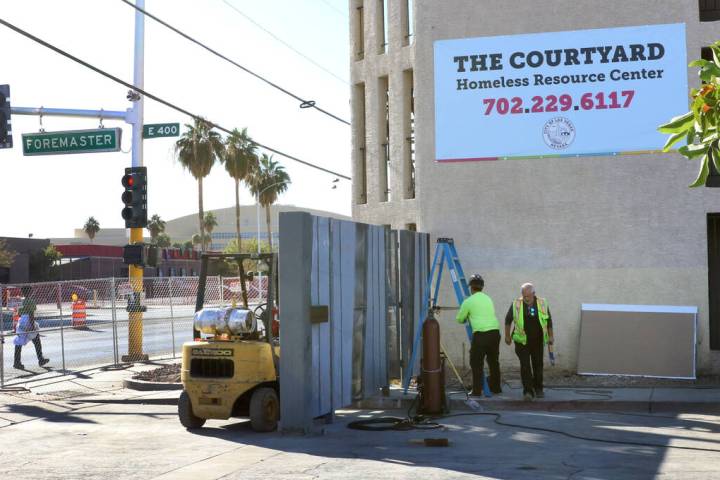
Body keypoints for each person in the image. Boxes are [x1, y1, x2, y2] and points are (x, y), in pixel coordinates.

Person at [505, 283, 553, 401]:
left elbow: (549, 321)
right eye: (524, 296)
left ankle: (538, 388)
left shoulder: (542, 303)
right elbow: (508, 320)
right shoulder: (516, 304)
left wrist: (551, 336)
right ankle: (528, 391)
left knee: (538, 365)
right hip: (522, 342)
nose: (526, 298)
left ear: (533, 294)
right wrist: (507, 336)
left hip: (538, 341)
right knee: (525, 366)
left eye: (528, 296)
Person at [455, 274, 502, 395]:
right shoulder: (488, 298)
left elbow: (460, 319)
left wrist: (467, 316)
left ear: (471, 288)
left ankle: (476, 391)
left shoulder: (468, 301)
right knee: (493, 361)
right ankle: (496, 388)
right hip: (495, 333)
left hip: (481, 334)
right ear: (482, 287)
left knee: (476, 363)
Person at [13, 286, 49, 369]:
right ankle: (41, 359)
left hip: (21, 320)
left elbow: (18, 313)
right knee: (36, 339)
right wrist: (32, 325)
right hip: (28, 320)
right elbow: (31, 313)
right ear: (29, 292)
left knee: (19, 342)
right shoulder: (31, 301)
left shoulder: (20, 301)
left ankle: (17, 362)